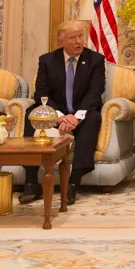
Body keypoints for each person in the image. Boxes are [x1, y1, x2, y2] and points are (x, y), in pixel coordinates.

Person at [19, 20, 105, 205]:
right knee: (31, 114)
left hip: (83, 111)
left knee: (94, 118)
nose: (78, 41)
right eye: (72, 38)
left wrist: (76, 116)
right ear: (61, 42)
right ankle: (31, 182)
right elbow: (41, 93)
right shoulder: (47, 61)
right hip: (56, 111)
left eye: (80, 36)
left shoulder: (95, 60)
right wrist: (59, 117)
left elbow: (95, 92)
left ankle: (73, 182)